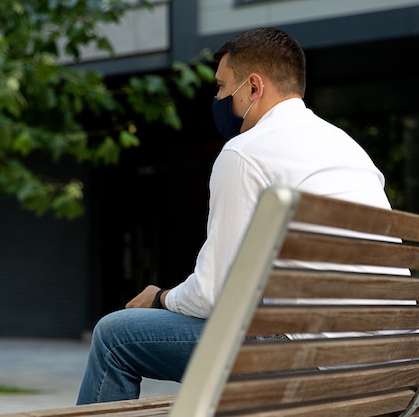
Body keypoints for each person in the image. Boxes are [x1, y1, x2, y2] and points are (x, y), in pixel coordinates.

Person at [76, 27, 394, 405]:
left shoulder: (245, 152)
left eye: (222, 87)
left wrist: (160, 297)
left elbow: (215, 295)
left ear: (253, 87)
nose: (219, 98)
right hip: (387, 362)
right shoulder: (349, 149)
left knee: (115, 335)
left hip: (310, 363)